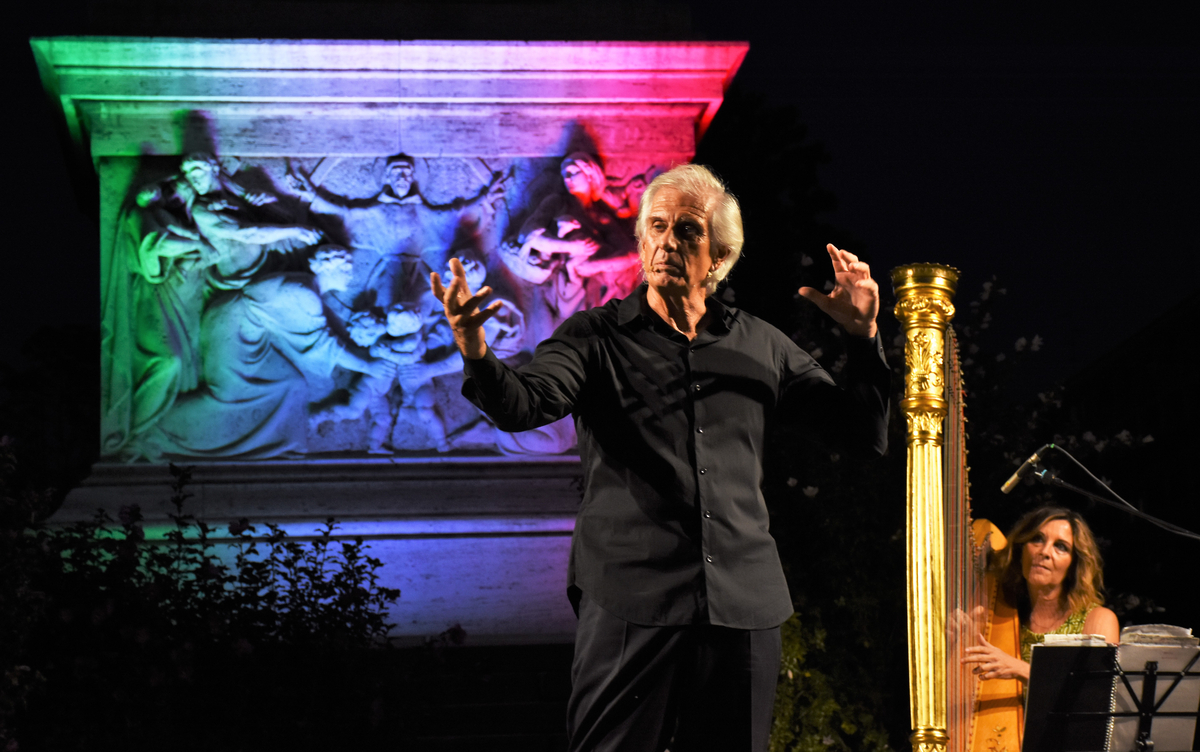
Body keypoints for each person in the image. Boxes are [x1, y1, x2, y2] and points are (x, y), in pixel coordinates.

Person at [431, 163, 890, 751]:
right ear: (643, 240)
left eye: (688, 230)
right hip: (630, 600)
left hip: (742, 607)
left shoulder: (762, 345)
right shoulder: (593, 338)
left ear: (719, 256)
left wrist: (863, 340)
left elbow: (861, 435)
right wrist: (477, 352)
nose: (669, 241)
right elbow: (525, 404)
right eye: (657, 226)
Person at [962, 506, 1120, 682]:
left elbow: (1096, 698)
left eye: (1060, 546)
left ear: (1074, 565)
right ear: (1021, 550)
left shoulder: (1097, 621)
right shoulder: (999, 615)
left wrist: (1021, 669)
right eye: (1037, 539)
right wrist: (956, 641)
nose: (1044, 552)